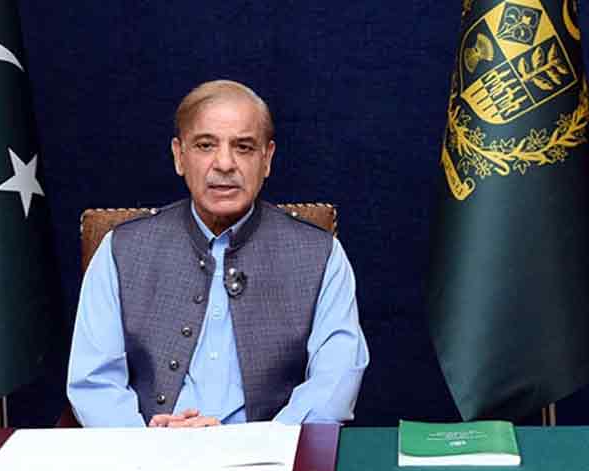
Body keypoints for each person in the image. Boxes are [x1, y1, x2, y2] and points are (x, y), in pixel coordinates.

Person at [67, 80, 368, 428]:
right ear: (180, 156)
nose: (224, 163)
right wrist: (147, 445)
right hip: (146, 452)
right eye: (205, 145)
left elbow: (334, 385)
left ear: (267, 159)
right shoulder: (120, 250)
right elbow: (93, 383)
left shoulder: (321, 255)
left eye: (243, 147)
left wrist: (254, 444)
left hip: (269, 455)